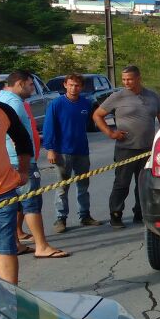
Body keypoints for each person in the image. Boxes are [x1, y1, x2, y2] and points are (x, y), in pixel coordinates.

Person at [0, 71, 69, 259]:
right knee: (31, 203)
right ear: (20, 84)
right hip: (20, 162)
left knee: (15, 204)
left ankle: (16, 242)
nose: (32, 89)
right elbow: (12, 134)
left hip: (10, 161)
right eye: (30, 85)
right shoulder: (14, 103)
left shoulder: (2, 99)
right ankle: (41, 246)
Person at [93, 65, 160, 228]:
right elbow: (97, 115)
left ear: (139, 78)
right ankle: (116, 215)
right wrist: (111, 133)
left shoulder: (152, 96)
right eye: (124, 79)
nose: (126, 82)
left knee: (144, 183)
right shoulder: (117, 96)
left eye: (130, 79)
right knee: (122, 183)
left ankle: (140, 213)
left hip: (147, 149)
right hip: (126, 149)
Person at [0, 74, 33, 284]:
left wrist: (23, 172)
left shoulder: (3, 110)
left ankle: (11, 298)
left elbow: (23, 140)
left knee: (6, 248)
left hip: (2, 194)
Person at [43, 73, 102, 233]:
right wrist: (50, 149)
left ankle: (85, 216)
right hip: (62, 152)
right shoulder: (56, 104)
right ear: (65, 85)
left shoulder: (86, 103)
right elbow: (49, 127)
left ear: (81, 87)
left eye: (77, 85)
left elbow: (99, 117)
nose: (73, 88)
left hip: (82, 151)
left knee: (83, 185)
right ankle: (60, 219)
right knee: (62, 187)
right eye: (70, 85)